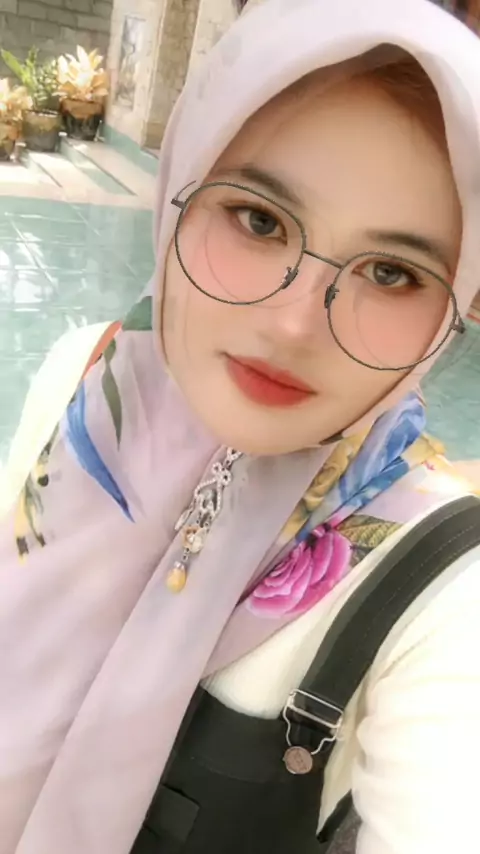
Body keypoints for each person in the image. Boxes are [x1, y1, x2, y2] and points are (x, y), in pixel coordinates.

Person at [1, 0, 480, 851]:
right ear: (179, 196)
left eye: (391, 273)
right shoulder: (86, 380)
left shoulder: (444, 584)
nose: (293, 325)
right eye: (260, 220)